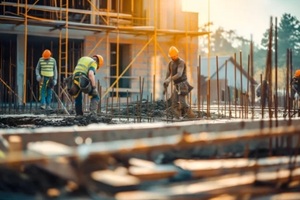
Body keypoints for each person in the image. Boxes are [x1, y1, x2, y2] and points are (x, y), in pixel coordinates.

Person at [163, 46, 195, 119]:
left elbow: (179, 74)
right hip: (176, 85)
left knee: (183, 102)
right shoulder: (170, 63)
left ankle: (192, 117)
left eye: (174, 56)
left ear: (177, 54)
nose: (173, 57)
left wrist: (169, 79)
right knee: (174, 104)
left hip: (183, 84)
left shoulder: (181, 62)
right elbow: (168, 74)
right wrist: (165, 84)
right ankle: (178, 118)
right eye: (172, 56)